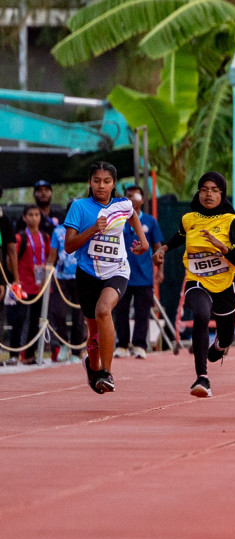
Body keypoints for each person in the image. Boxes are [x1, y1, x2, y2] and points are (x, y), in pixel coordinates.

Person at [62, 161, 151, 392]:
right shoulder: (79, 207)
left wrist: (143, 242)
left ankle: (107, 372)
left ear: (114, 184)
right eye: (97, 181)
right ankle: (93, 367)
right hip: (87, 273)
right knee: (93, 332)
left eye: (107, 181)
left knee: (104, 310)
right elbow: (69, 246)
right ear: (90, 183)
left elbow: (132, 215)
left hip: (117, 270)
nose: (101, 186)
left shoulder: (122, 204)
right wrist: (92, 229)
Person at [155, 172, 235, 398]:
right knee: (202, 314)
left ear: (222, 195)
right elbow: (179, 236)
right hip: (197, 280)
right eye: (204, 189)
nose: (209, 194)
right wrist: (162, 249)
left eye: (215, 190)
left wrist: (222, 248)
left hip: (224, 284)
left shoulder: (232, 222)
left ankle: (220, 345)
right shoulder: (189, 218)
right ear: (198, 192)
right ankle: (202, 378)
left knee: (225, 337)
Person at [113, 185, 164, 358]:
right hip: (121, 274)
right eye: (128, 196)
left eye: (135, 195)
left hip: (144, 276)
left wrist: (160, 270)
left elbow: (158, 247)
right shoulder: (118, 219)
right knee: (120, 312)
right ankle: (122, 345)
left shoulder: (150, 221)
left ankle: (140, 345)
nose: (132, 199)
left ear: (142, 199)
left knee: (143, 312)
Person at [5, 205, 51, 365]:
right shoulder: (20, 237)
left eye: (37, 214)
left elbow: (49, 261)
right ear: (24, 218)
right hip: (22, 286)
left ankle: (30, 355)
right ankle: (14, 354)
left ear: (40, 217)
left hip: (40, 286)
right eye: (30, 214)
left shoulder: (45, 237)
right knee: (19, 319)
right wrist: (16, 279)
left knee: (36, 321)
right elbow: (10, 259)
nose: (34, 217)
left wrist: (46, 282)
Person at [48, 218, 86, 363]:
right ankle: (64, 344)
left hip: (81, 275)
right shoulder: (58, 231)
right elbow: (52, 254)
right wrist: (47, 274)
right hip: (61, 277)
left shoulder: (86, 228)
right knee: (58, 311)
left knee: (79, 315)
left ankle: (76, 350)